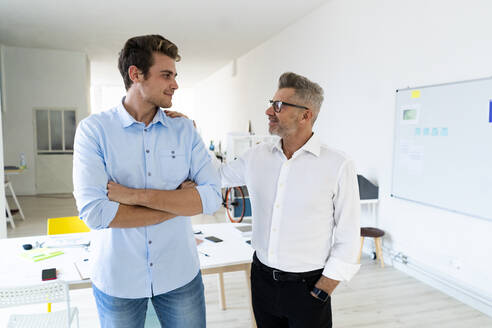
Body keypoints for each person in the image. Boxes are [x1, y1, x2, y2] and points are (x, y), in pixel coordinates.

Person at [167, 72, 361, 328]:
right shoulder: (257, 156)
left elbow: (349, 235)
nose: (269, 111)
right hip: (261, 279)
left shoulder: (337, 164)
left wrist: (323, 289)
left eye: (279, 106)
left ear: (306, 115)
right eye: (272, 102)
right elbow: (215, 176)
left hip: (309, 287)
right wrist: (192, 134)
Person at [73, 34, 221, 328]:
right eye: (166, 75)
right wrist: (178, 203)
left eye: (175, 76)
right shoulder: (94, 131)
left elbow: (212, 197)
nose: (175, 84)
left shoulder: (184, 130)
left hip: (179, 274)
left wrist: (133, 196)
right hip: (118, 279)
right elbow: (95, 213)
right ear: (135, 74)